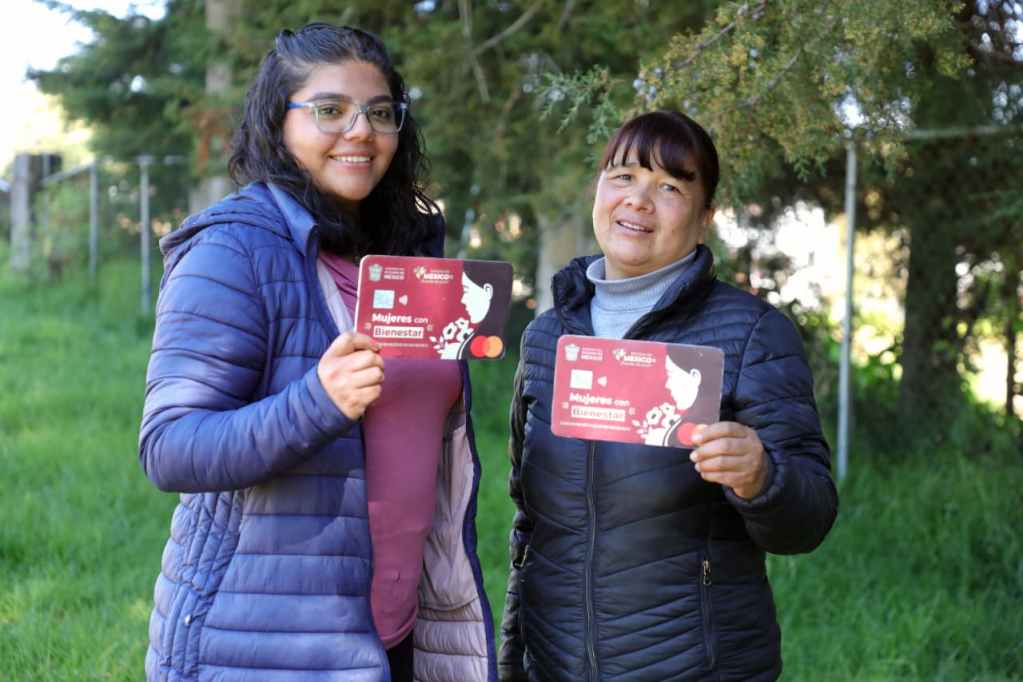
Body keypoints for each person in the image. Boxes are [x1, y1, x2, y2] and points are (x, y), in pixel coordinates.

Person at [138, 24, 496, 682]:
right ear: (279, 123)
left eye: (380, 112)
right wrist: (315, 403)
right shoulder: (232, 249)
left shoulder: (407, 254)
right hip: (266, 643)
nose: (360, 131)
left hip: (396, 629)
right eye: (328, 110)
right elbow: (170, 447)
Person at [499, 110, 838, 681]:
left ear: (705, 218)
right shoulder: (547, 334)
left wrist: (762, 478)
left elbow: (809, 520)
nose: (639, 200)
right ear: (599, 190)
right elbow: (528, 525)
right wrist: (514, 662)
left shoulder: (750, 333)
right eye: (624, 176)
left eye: (670, 187)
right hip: (554, 664)